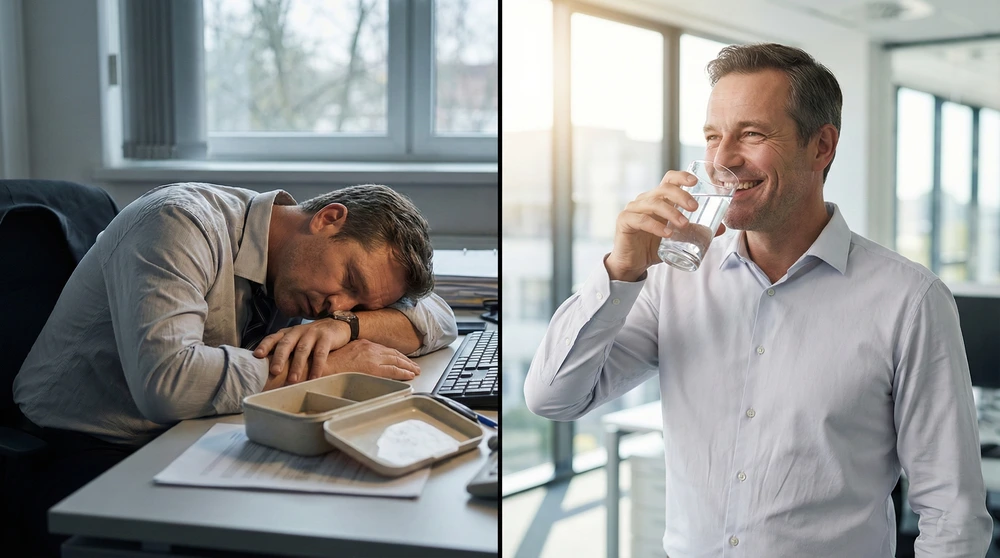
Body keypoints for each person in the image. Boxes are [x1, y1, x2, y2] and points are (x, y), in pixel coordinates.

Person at [524, 43, 992, 556]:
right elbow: (554, 397)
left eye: (751, 134)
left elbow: (953, 514)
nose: (722, 160)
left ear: (821, 146)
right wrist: (621, 270)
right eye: (711, 136)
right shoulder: (669, 280)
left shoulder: (911, 300)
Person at [10, 181, 457, 556]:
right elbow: (167, 382)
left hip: (194, 435)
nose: (336, 306)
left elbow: (440, 317)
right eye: (350, 283)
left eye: (356, 302)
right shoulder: (177, 223)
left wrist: (349, 326)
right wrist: (332, 367)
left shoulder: (310, 283)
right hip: (83, 445)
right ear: (328, 219)